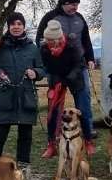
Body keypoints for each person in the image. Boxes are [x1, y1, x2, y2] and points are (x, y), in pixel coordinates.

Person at [0, 13, 44, 170]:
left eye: (19, 24)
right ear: (8, 27)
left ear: (24, 26)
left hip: (26, 96)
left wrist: (35, 73)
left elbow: (43, 69)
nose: (16, 27)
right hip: (5, 96)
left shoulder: (32, 48)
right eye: (13, 24)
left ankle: (23, 170)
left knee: (25, 135)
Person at [36, 0, 96, 133]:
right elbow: (39, 40)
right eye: (72, 4)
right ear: (64, 3)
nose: (74, 7)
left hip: (78, 66)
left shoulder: (80, 18)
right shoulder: (50, 17)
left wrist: (90, 58)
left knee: (84, 99)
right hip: (56, 67)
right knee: (55, 102)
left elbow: (86, 40)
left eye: (77, 4)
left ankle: (87, 130)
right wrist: (47, 53)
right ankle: (55, 132)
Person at [40, 18, 93, 158]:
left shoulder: (72, 45)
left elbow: (80, 64)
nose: (49, 43)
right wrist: (55, 78)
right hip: (56, 79)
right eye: (47, 40)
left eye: (51, 41)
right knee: (53, 112)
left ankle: (88, 140)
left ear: (58, 38)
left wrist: (70, 76)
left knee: (83, 109)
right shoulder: (44, 48)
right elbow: (45, 65)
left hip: (74, 78)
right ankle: (51, 144)